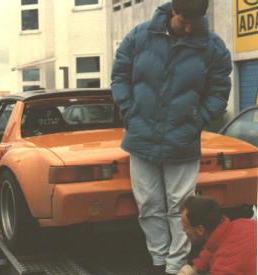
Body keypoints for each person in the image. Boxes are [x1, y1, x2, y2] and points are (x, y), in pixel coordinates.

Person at [110, 0, 232, 274]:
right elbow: (119, 76)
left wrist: (198, 120)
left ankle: (175, 266)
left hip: (183, 139)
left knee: (181, 208)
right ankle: (158, 261)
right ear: (172, 11)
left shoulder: (213, 48)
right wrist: (130, 112)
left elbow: (219, 90)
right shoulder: (139, 37)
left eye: (195, 22)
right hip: (141, 137)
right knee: (148, 205)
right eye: (183, 21)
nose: (189, 28)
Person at [179, 196, 257, 275]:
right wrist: (195, 268)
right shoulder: (241, 223)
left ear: (200, 230)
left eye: (185, 226)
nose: (183, 230)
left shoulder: (224, 267)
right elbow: (212, 247)